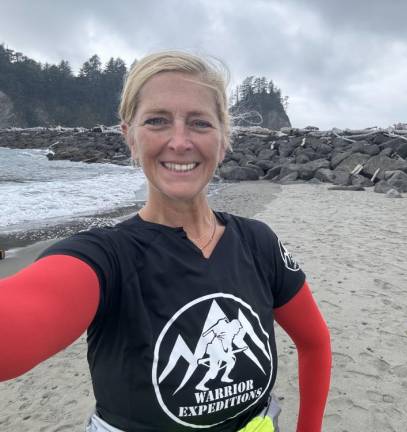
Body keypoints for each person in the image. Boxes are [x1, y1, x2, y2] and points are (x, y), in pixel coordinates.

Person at [0, 51, 332, 432]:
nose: (179, 141)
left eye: (199, 123)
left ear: (224, 140)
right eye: (157, 121)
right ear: (130, 137)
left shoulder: (258, 244)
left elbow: (316, 343)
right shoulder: (108, 257)